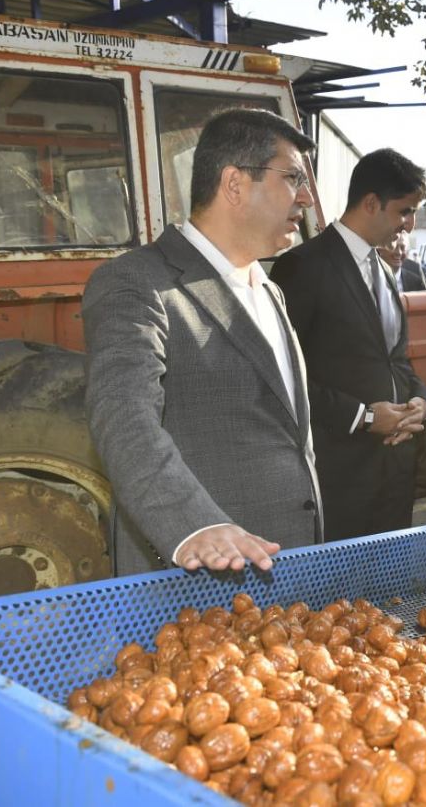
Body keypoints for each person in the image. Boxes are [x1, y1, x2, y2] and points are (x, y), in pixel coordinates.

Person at [83, 108, 322, 576]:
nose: (308, 198)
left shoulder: (270, 290)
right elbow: (121, 413)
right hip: (197, 588)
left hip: (285, 576)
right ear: (235, 184)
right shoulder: (136, 282)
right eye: (293, 177)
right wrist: (193, 526)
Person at [270, 148, 426, 542]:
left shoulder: (388, 272)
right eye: (404, 211)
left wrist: (421, 404)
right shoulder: (302, 266)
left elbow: (399, 363)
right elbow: (282, 379)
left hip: (394, 476)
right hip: (338, 479)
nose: (409, 225)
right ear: (371, 203)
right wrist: (366, 418)